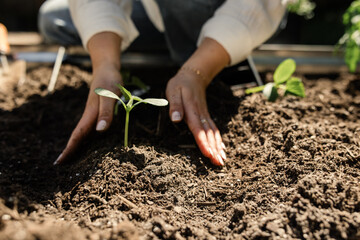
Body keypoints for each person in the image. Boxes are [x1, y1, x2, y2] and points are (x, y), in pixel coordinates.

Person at [38, 0, 286, 167]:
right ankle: (178, 42)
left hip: (241, 11)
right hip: (157, 14)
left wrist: (196, 72)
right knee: (53, 17)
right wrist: (105, 63)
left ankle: (214, 49)